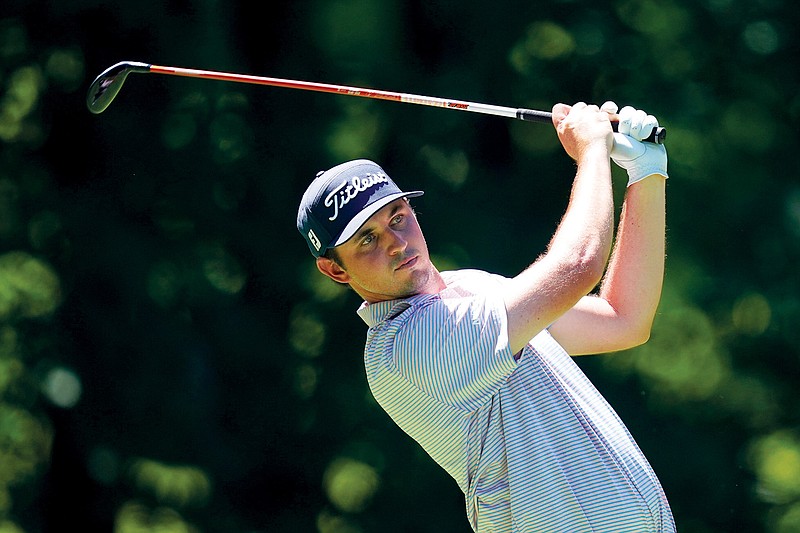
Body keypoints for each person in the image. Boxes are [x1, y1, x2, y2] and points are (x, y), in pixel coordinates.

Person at [296, 101, 673, 532]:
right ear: (335, 270)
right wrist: (591, 151)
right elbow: (577, 267)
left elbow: (623, 319)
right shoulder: (405, 346)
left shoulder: (472, 290)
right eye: (367, 239)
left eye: (398, 218)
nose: (396, 243)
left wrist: (646, 174)